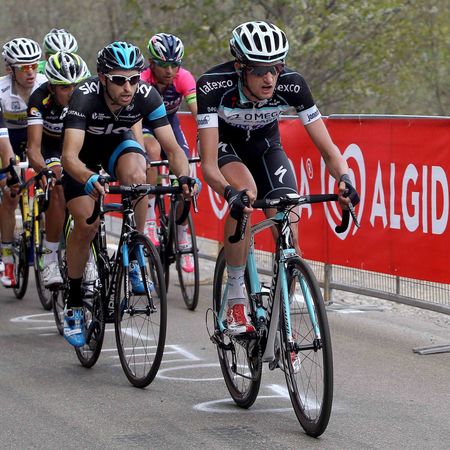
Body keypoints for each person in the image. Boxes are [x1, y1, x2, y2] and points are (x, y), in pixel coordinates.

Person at [197, 21, 360, 335]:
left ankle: (279, 315)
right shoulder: (212, 85)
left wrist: (346, 179)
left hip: (266, 147)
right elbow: (208, 167)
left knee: (289, 226)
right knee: (246, 193)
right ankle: (236, 297)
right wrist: (229, 193)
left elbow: (329, 150)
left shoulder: (293, 84)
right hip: (225, 147)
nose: (269, 78)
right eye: (260, 70)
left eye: (275, 68)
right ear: (241, 67)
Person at [61, 41, 197, 347]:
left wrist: (184, 176)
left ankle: (135, 250)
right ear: (102, 78)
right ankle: (74, 300)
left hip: (117, 148)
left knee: (138, 175)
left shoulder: (147, 96)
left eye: (134, 79)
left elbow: (174, 149)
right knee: (87, 224)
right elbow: (69, 157)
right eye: (119, 80)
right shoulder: (84, 96)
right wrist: (88, 177)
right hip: (82, 159)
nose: (128, 87)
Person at [27, 52, 90, 287]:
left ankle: (91, 255)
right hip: (51, 147)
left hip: (78, 145)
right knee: (58, 186)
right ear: (52, 88)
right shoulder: (39, 99)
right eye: (64, 87)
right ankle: (51, 256)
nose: (72, 92)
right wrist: (43, 170)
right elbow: (34, 149)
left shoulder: (89, 97)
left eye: (76, 85)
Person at [140, 33, 197, 270]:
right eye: (164, 65)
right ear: (151, 63)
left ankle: (182, 232)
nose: (170, 70)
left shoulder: (183, 78)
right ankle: (150, 217)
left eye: (175, 65)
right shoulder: (142, 79)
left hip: (170, 125)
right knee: (152, 152)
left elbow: (197, 112)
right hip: (145, 125)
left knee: (185, 174)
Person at [0, 38, 46, 287]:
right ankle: (7, 256)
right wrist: (11, 170)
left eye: (34, 66)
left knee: (48, 189)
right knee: (12, 193)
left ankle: (45, 247)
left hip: (34, 138)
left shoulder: (45, 86)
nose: (30, 72)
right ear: (10, 69)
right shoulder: (1, 91)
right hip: (6, 140)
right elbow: (2, 139)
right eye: (24, 67)